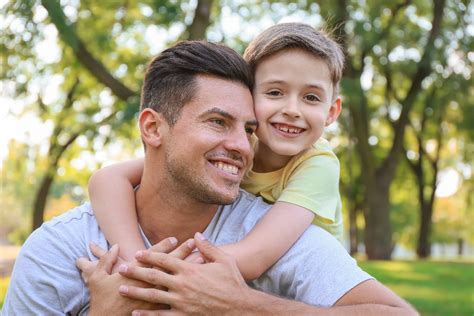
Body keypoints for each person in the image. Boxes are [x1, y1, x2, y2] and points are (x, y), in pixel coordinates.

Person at [3, 40, 417, 315]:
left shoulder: (278, 232)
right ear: (152, 128)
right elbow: (108, 178)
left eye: (249, 129)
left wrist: (241, 303)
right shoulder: (61, 249)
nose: (242, 146)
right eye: (218, 122)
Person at [88, 22, 344, 280]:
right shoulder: (235, 149)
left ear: (332, 112)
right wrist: (135, 260)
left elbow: (254, 255)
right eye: (275, 92)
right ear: (247, 97)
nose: (292, 109)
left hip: (310, 289)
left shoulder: (318, 166)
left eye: (311, 97)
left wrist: (160, 273)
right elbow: (106, 179)